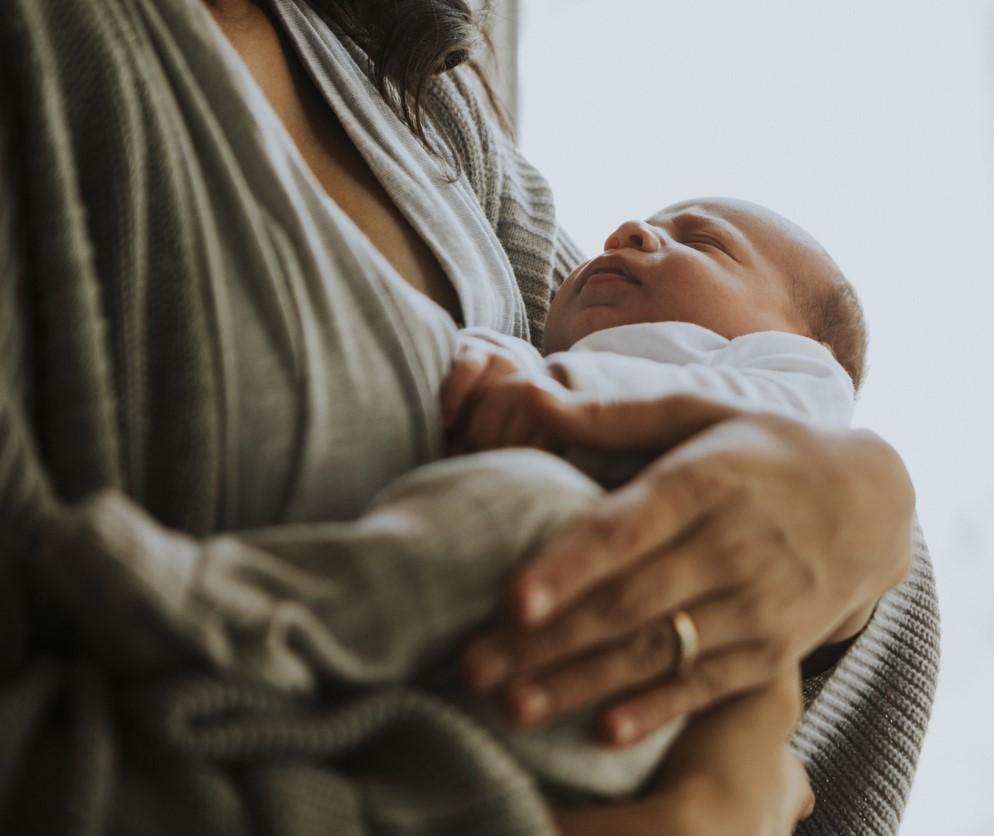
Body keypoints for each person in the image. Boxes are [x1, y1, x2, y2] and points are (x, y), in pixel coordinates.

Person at [0, 2, 937, 836]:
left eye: (702, 240)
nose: (630, 235)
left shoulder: (416, 97)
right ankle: (247, 620)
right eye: (647, 223)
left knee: (513, 505)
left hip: (606, 632)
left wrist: (866, 504)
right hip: (532, 685)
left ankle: (241, 610)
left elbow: (888, 564)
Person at [443, 197, 863, 457]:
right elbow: (530, 369)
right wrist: (492, 359)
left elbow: (802, 430)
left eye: (703, 241)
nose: (627, 232)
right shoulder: (546, 363)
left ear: (802, 344)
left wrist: (565, 383)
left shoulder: (799, 374)